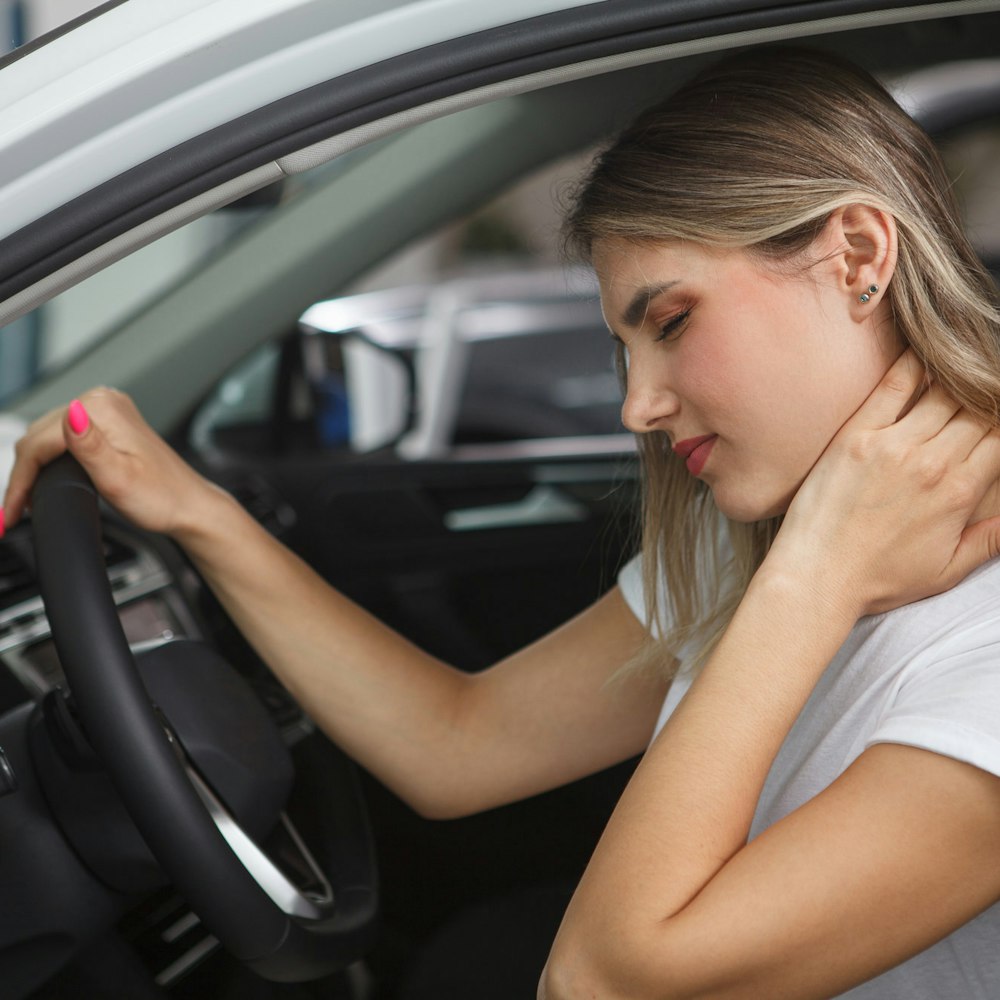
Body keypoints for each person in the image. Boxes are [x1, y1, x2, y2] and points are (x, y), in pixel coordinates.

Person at [6, 47, 1000, 999]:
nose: (636, 406)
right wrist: (198, 512)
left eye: (670, 321)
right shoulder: (765, 525)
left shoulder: (899, 608)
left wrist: (812, 582)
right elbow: (459, 742)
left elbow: (604, 979)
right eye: (624, 349)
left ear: (858, 257)